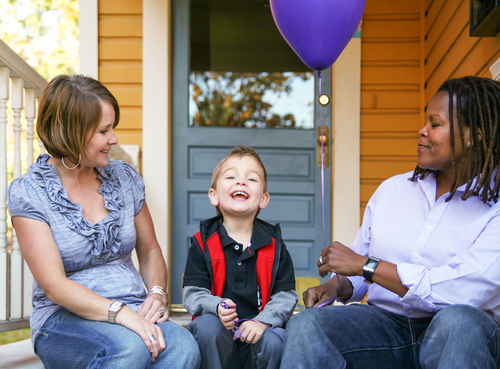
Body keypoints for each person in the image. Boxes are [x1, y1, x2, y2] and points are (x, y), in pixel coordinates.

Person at [281, 76, 500, 369]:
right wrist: (336, 286)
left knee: (458, 321)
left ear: (475, 135)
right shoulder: (393, 190)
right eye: (425, 122)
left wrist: (366, 265)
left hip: (461, 336)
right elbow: (361, 272)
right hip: (386, 326)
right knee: (307, 326)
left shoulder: (495, 206)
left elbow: (462, 292)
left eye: (435, 124)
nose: (422, 131)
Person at [7, 74, 200, 368]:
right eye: (104, 131)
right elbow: (54, 286)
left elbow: (149, 250)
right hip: (62, 320)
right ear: (71, 133)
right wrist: (123, 314)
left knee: (183, 346)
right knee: (128, 348)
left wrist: (158, 294)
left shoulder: (124, 177)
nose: (114, 139)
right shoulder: (29, 193)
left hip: (133, 308)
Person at [182, 146, 299, 369]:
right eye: (231, 176)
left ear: (263, 199)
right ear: (213, 195)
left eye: (252, 179)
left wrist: (263, 321)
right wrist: (216, 306)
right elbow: (193, 294)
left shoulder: (274, 246)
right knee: (207, 329)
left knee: (275, 342)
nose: (241, 182)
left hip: (259, 332)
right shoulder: (202, 243)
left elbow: (285, 295)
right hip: (217, 330)